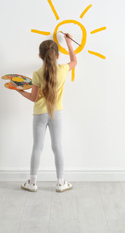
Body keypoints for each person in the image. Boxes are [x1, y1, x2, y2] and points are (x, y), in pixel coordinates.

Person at [17, 33, 77, 192]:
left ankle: (32, 183)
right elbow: (74, 61)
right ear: (58, 55)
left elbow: (33, 97)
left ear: (39, 56)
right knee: (57, 146)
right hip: (56, 113)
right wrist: (69, 44)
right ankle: (60, 183)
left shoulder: (37, 74)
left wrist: (18, 90)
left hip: (39, 114)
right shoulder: (63, 69)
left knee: (37, 147)